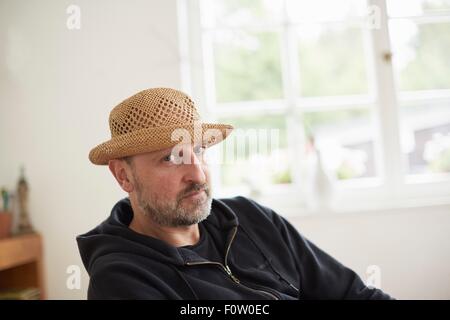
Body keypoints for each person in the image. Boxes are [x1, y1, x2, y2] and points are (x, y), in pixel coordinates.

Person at [77, 88, 393, 300]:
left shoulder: (251, 219)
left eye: (199, 151)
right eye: (172, 158)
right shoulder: (121, 280)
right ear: (123, 175)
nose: (198, 174)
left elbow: (354, 295)